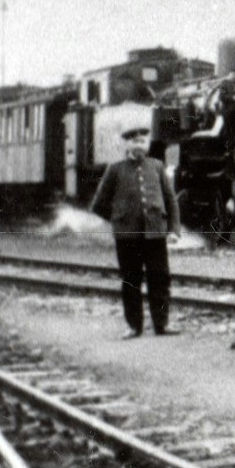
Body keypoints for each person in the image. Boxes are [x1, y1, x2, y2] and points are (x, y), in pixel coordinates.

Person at [88, 126, 180, 338]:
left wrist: (173, 229)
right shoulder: (115, 169)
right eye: (136, 141)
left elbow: (171, 200)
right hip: (127, 237)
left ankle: (161, 325)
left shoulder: (157, 166)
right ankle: (134, 327)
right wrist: (119, 220)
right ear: (127, 144)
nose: (140, 145)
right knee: (131, 281)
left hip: (155, 234)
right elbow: (99, 204)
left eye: (143, 141)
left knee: (160, 279)